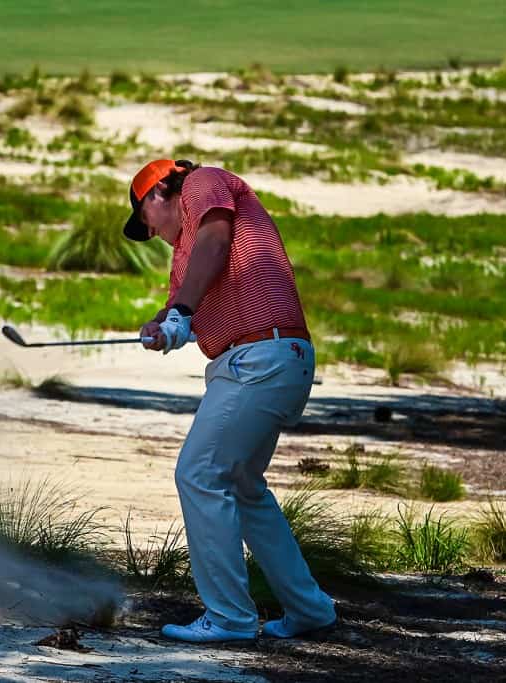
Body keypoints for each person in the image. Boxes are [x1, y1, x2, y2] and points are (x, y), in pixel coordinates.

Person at [123, 159, 336, 642]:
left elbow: (216, 244)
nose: (151, 232)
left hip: (260, 358)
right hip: (266, 360)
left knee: (198, 473)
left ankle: (229, 618)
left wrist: (179, 312)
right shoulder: (186, 253)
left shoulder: (202, 183)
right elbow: (188, 296)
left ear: (159, 192)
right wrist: (163, 325)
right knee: (242, 485)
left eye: (144, 220)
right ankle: (309, 609)